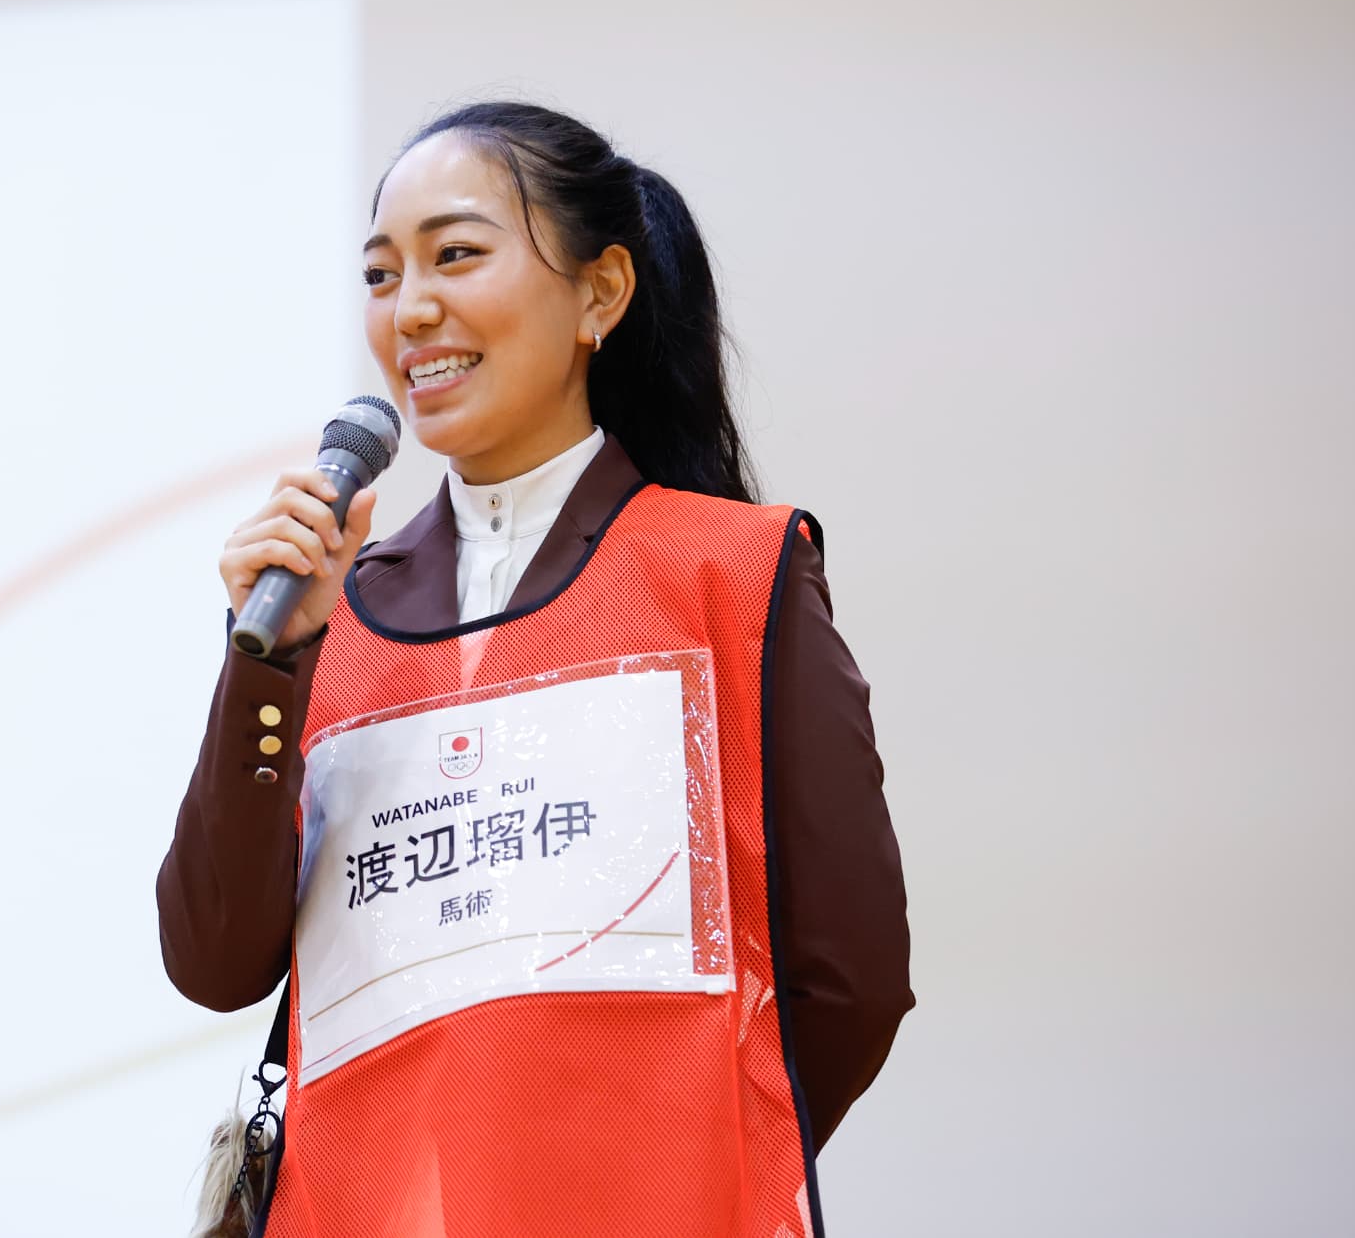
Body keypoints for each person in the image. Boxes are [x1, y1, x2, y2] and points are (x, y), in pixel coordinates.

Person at [158, 101, 912, 1237]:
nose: (411, 310)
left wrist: (687, 1171)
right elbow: (214, 958)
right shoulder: (333, 613)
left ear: (599, 294)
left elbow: (845, 979)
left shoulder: (733, 573)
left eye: (455, 255)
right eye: (380, 275)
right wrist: (268, 665)